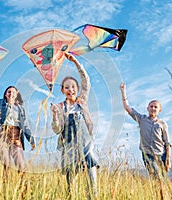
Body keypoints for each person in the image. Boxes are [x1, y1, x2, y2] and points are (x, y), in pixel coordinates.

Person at [51, 52, 99, 197]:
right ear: (62, 90)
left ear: (77, 89)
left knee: (92, 180)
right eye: (67, 87)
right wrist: (54, 116)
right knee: (71, 185)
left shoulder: (82, 102)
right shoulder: (60, 107)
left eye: (73, 87)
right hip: (68, 147)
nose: (70, 90)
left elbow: (86, 80)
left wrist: (75, 62)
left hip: (85, 144)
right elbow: (57, 130)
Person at [0, 66, 36, 175]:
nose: (11, 93)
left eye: (13, 92)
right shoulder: (0, 103)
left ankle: (22, 189)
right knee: (6, 163)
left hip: (16, 135)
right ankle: (6, 187)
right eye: (9, 92)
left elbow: (25, 126)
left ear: (16, 95)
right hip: (2, 134)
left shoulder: (20, 109)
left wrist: (31, 140)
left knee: (21, 165)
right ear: (5, 94)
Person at [119, 82, 172, 179]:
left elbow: (167, 142)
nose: (153, 108)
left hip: (161, 155)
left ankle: (160, 194)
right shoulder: (141, 119)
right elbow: (127, 108)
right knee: (156, 176)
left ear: (159, 110)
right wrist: (123, 91)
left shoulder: (162, 124)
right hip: (148, 154)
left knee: (163, 180)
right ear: (147, 108)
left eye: (155, 107)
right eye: (151, 106)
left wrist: (168, 158)